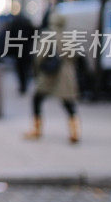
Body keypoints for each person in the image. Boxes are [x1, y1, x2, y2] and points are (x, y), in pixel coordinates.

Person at [23, 13, 80, 144]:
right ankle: (75, 131)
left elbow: (39, 56)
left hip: (49, 74)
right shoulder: (69, 36)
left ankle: (37, 129)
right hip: (66, 74)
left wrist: (37, 71)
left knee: (37, 99)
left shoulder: (47, 35)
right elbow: (75, 55)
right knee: (68, 103)